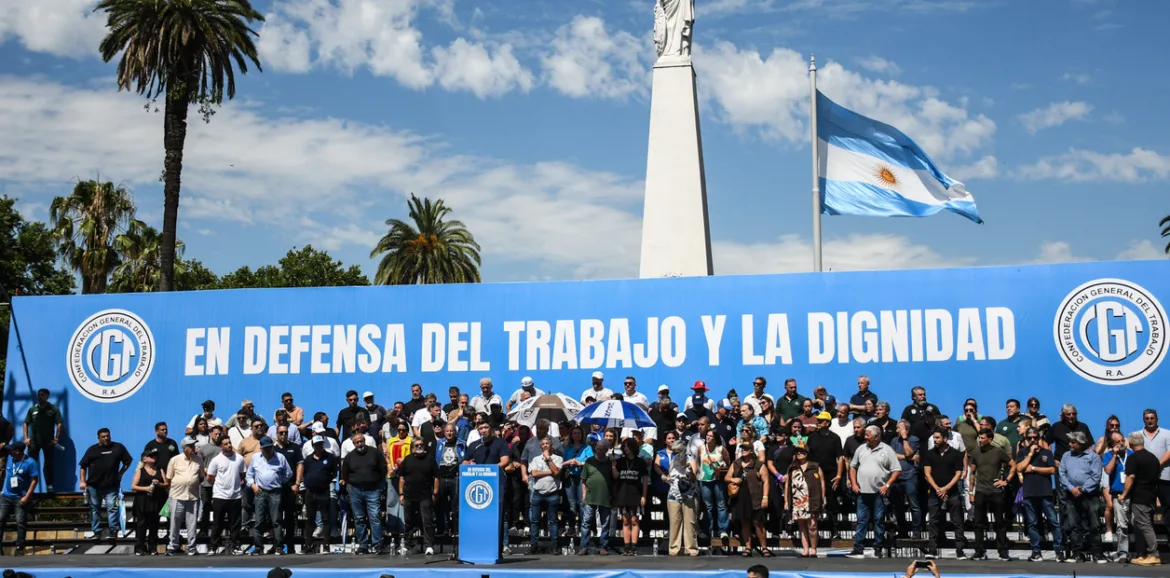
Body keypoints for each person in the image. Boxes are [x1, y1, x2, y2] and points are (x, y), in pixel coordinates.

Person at [847, 425, 901, 559]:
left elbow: (897, 470)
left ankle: (878, 548)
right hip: (862, 492)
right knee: (861, 521)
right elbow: (852, 466)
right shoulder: (861, 448)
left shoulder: (887, 450)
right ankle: (858, 548)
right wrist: (853, 483)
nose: (865, 437)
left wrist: (887, 485)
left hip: (879, 493)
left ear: (876, 437)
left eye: (867, 435)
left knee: (879, 520)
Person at [1014, 426, 1063, 562]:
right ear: (1026, 439)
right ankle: (1036, 551)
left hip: (1045, 491)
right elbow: (1019, 468)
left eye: (1035, 437)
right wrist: (1030, 454)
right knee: (1032, 523)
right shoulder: (1022, 452)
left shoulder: (1047, 452)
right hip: (1029, 492)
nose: (1033, 440)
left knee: (1053, 521)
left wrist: (1034, 468)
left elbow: (1052, 470)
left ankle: (1058, 550)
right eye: (1030, 438)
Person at [78, 427, 132, 543]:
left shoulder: (118, 447)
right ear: (98, 438)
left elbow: (128, 461)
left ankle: (113, 531)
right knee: (94, 509)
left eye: (108, 436)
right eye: (103, 437)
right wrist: (82, 481)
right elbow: (83, 466)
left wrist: (121, 473)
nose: (106, 438)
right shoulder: (92, 450)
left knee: (112, 508)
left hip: (111, 485)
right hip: (94, 485)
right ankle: (97, 531)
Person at [1058, 431, 1105, 563]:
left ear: (1081, 443)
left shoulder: (1093, 457)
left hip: (1089, 495)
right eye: (1070, 442)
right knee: (1074, 525)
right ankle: (1077, 553)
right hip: (1071, 494)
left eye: (1073, 442)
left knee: (1094, 524)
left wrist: (1083, 489)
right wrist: (1071, 488)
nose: (1070, 444)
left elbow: (1096, 476)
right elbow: (1062, 473)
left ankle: (1097, 553)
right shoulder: (1066, 456)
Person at [967, 428, 1013, 561]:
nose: (980, 440)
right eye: (979, 438)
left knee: (999, 522)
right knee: (979, 523)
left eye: (982, 438)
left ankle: (1003, 551)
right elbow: (972, 473)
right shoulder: (976, 452)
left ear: (990, 439)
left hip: (996, 492)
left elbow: (1013, 465)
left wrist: (1005, 481)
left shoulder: (999, 452)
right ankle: (979, 551)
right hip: (981, 491)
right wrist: (971, 491)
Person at [341, 432, 388, 554]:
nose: (360, 444)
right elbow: (344, 473)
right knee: (359, 518)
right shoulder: (349, 457)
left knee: (375, 517)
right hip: (355, 490)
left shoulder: (375, 452)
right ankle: (363, 545)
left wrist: (378, 483)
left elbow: (383, 468)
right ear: (353, 444)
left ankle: (377, 543)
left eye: (361, 441)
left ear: (364, 441)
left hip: (373, 489)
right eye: (357, 442)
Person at [922, 428, 966, 559]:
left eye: (937, 438)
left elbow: (958, 474)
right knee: (933, 521)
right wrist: (937, 489)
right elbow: (927, 473)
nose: (935, 440)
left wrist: (946, 488)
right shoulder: (930, 454)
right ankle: (932, 550)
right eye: (934, 438)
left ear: (945, 439)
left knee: (957, 521)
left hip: (952, 492)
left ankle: (960, 550)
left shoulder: (956, 454)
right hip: (935, 492)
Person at [1121, 432, 1163, 567]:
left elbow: (1130, 477)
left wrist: (1124, 495)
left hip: (1140, 497)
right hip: (1151, 496)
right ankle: (1146, 554)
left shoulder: (1133, 458)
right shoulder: (1153, 458)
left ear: (1131, 444)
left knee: (1145, 526)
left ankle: (1154, 554)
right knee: (1146, 525)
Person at [246, 436, 292, 555]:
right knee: (259, 520)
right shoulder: (255, 458)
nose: (268, 450)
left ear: (273, 447)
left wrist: (279, 481)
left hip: (275, 491)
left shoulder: (280, 457)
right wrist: (253, 485)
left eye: (270, 448)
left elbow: (288, 473)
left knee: (276, 520)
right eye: (265, 448)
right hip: (260, 492)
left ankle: (279, 547)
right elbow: (249, 475)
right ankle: (258, 547)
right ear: (261, 448)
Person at [727, 441, 770, 557]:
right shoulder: (736, 463)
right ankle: (747, 547)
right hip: (741, 497)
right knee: (744, 522)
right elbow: (727, 477)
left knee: (758, 523)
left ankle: (764, 547)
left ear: (751, 450)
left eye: (746, 448)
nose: (743, 450)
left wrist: (765, 497)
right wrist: (733, 480)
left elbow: (766, 481)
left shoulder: (759, 464)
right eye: (742, 448)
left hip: (755, 496)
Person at [207, 437, 246, 555]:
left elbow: (242, 474)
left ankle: (235, 546)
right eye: (225, 444)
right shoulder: (216, 460)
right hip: (219, 496)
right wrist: (219, 487)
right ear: (221, 447)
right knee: (217, 523)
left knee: (235, 524)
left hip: (235, 496)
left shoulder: (239, 458)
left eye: (230, 443)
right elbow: (210, 477)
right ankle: (213, 547)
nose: (229, 445)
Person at [398, 438, 438, 555]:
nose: (419, 447)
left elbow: (436, 477)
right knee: (408, 521)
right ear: (412, 448)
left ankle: (429, 545)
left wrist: (435, 493)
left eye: (421, 445)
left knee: (427, 521)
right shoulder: (407, 459)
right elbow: (402, 478)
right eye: (417, 445)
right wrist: (401, 494)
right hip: (409, 495)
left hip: (425, 495)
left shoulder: (430, 459)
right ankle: (407, 544)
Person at [300, 436, 338, 553]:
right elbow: (304, 472)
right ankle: (308, 546)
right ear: (313, 446)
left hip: (324, 492)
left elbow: (334, 472)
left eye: (321, 444)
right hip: (310, 492)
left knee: (326, 519)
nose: (319, 446)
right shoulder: (308, 459)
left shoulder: (330, 457)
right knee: (310, 520)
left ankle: (326, 545)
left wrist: (325, 480)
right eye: (317, 444)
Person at [166, 438, 204, 556]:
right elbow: (169, 478)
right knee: (175, 522)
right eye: (190, 446)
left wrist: (192, 482)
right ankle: (172, 546)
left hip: (192, 496)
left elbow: (201, 477)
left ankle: (192, 548)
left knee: (192, 524)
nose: (193, 447)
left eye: (193, 445)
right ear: (184, 448)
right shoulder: (174, 460)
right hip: (177, 495)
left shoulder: (198, 460)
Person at [785, 443, 823, 557]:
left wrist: (823, 498)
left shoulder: (815, 466)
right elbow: (787, 484)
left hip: (811, 499)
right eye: (797, 452)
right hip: (797, 499)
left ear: (806, 453)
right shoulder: (792, 468)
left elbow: (822, 483)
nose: (799, 453)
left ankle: (814, 548)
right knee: (801, 525)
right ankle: (805, 549)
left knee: (812, 525)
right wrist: (786, 501)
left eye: (801, 451)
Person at [578, 439, 615, 555]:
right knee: (586, 522)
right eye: (597, 448)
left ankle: (603, 546)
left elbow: (615, 477)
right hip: (590, 496)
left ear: (606, 450)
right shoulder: (589, 461)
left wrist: (614, 464)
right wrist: (583, 494)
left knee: (605, 523)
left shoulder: (610, 462)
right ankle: (584, 546)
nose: (598, 450)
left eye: (600, 449)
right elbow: (583, 480)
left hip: (605, 496)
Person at [613, 437, 648, 556]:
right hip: (622, 494)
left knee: (634, 520)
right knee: (625, 521)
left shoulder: (640, 462)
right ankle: (626, 547)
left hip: (636, 494)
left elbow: (645, 480)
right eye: (625, 447)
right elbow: (615, 475)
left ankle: (634, 546)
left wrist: (644, 495)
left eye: (628, 446)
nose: (626, 449)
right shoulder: (621, 461)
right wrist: (613, 464)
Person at [697, 428, 730, 552]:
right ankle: (709, 529)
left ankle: (723, 530)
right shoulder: (701, 448)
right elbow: (698, 461)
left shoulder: (721, 449)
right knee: (708, 506)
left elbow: (728, 462)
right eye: (707, 435)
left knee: (721, 505)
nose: (708, 437)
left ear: (715, 438)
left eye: (711, 436)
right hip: (704, 479)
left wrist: (722, 467)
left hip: (718, 479)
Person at [1101, 430, 1132, 561]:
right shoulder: (1108, 455)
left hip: (1133, 494)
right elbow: (1107, 470)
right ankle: (1123, 553)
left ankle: (1140, 551)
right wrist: (1114, 454)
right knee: (1121, 525)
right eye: (1117, 442)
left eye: (1122, 441)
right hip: (1118, 494)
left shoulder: (1131, 454)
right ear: (1112, 444)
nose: (1120, 444)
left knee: (1137, 523)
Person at [23, 388, 62, 492]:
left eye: (42, 395)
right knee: (31, 463)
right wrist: (26, 438)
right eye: (39, 395)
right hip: (33, 442)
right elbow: (26, 423)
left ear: (47, 396)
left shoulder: (53, 409)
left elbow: (59, 423)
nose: (40, 397)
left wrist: (56, 438)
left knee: (48, 463)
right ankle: (29, 485)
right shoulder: (32, 409)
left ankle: (49, 485)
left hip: (48, 442)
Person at [665, 438, 699, 556]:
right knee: (674, 522)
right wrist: (667, 479)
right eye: (674, 451)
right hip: (674, 493)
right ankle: (674, 547)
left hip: (688, 493)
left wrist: (689, 469)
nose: (676, 453)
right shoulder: (673, 462)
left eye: (678, 451)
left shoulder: (691, 460)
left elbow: (694, 477)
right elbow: (670, 475)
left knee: (690, 522)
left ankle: (691, 548)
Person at [130, 449, 166, 555]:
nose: (154, 457)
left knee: (154, 525)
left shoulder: (160, 470)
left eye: (155, 456)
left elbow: (166, 483)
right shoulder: (140, 471)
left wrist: (159, 484)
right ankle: (140, 548)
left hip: (156, 501)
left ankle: (153, 547)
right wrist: (146, 488)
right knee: (141, 525)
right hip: (143, 501)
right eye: (151, 456)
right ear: (145, 459)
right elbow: (133, 486)